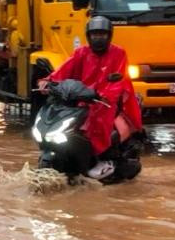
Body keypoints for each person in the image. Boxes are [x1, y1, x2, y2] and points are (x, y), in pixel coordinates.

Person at [45, 15, 142, 178]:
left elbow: (118, 79)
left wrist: (104, 96)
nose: (98, 38)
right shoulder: (81, 52)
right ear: (88, 36)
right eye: (95, 35)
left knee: (99, 122)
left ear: (109, 35)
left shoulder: (118, 53)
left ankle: (101, 157)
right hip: (82, 99)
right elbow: (64, 70)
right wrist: (48, 81)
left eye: (102, 35)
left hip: (107, 101)